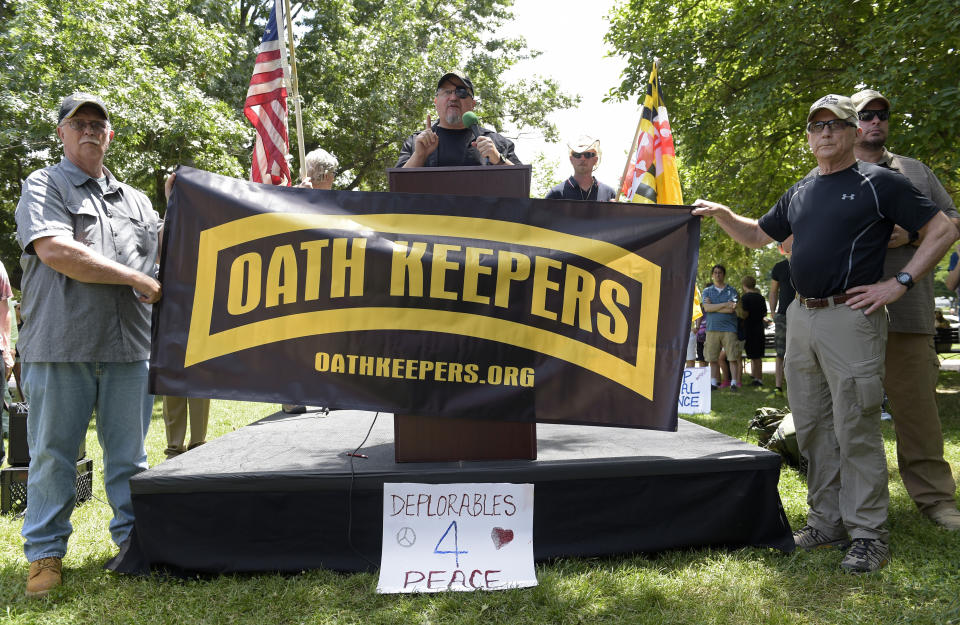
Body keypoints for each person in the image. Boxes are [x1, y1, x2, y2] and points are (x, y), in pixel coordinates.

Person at [692, 94, 956, 573]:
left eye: (836, 124)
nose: (825, 133)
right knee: (812, 425)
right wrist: (723, 214)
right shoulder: (801, 190)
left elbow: (942, 229)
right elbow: (758, 235)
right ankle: (826, 522)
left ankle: (869, 534)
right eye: (817, 126)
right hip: (802, 317)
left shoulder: (881, 182)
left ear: (855, 132)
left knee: (855, 426)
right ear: (809, 137)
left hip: (850, 317)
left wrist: (899, 282)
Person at [14, 92, 162, 597]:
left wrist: (186, 206)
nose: (89, 130)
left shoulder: (139, 201)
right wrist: (132, 278)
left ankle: (131, 543)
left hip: (129, 349)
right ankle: (45, 554)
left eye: (98, 123)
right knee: (54, 455)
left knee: (130, 457)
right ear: (62, 133)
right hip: (60, 346)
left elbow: (164, 267)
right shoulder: (43, 185)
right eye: (78, 123)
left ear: (110, 135)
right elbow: (56, 250)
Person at [850, 88, 960, 530]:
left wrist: (912, 235)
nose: (875, 122)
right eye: (865, 115)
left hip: (908, 310)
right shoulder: (829, 171)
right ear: (846, 121)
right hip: (848, 313)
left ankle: (936, 500)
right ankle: (850, 503)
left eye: (882, 115)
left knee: (916, 410)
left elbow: (951, 223)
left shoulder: (915, 172)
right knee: (849, 413)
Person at [397, 72, 520, 168]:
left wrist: (498, 159)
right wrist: (419, 155)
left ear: (473, 104)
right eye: (447, 92)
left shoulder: (497, 143)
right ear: (436, 102)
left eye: (461, 92)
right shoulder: (416, 142)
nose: (453, 97)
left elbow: (520, 184)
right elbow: (397, 189)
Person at [702, 265, 741, 391]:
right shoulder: (707, 291)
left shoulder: (732, 290)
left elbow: (731, 309)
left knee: (732, 357)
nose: (717, 275)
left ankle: (734, 383)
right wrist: (724, 304)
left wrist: (714, 306)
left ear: (724, 274)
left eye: (720, 272)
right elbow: (707, 308)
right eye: (715, 272)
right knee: (712, 357)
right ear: (712, 275)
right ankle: (713, 383)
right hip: (712, 328)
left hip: (729, 328)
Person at [545, 135, 617, 201]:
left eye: (587, 154)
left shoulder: (609, 194)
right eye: (577, 154)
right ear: (571, 159)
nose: (582, 159)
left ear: (595, 160)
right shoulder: (555, 194)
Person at [768, 248, 795, 393]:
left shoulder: (806, 262)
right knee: (780, 352)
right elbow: (773, 291)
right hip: (783, 315)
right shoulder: (779, 267)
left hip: (804, 313)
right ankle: (778, 386)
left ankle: (798, 385)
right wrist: (773, 312)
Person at [739, 275, 767, 386]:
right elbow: (764, 313)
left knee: (753, 355)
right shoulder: (761, 298)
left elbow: (744, 314)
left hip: (749, 328)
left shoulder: (745, 298)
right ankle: (757, 377)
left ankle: (757, 379)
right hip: (759, 327)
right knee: (757, 355)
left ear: (744, 285)